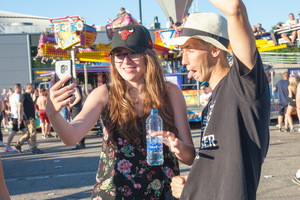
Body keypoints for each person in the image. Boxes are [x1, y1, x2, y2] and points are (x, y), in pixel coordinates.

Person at [46, 24, 195, 199]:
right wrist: (53, 114)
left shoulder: (170, 93)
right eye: (119, 55)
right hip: (114, 193)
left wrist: (177, 146)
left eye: (133, 53)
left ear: (149, 56)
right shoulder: (103, 94)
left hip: (161, 192)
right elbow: (71, 137)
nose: (126, 61)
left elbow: (190, 157)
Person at [169, 0, 270, 199]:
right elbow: (223, 172)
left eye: (190, 50)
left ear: (215, 50)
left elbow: (235, 9)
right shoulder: (210, 105)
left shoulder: (243, 85)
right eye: (182, 52)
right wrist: (193, 185)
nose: (183, 61)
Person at [14, 83, 43, 154]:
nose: (34, 90)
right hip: (28, 117)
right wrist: (20, 117)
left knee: (29, 133)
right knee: (33, 133)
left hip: (30, 116)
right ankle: (34, 148)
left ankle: (19, 143)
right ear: (29, 88)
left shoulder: (28, 96)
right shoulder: (23, 95)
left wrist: (35, 98)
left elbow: (32, 105)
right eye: (33, 88)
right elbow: (19, 105)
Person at [4, 84, 27, 152]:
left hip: (16, 115)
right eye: (20, 88)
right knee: (14, 131)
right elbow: (19, 105)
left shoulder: (12, 95)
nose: (21, 89)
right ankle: (7, 146)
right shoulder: (17, 96)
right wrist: (20, 116)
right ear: (17, 88)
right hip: (17, 116)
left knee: (24, 130)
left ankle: (31, 144)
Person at [69, 81, 85, 150]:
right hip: (79, 107)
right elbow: (83, 97)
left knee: (77, 125)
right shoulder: (79, 87)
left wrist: (72, 104)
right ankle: (81, 143)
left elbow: (78, 97)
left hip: (76, 108)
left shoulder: (75, 88)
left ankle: (80, 143)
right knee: (80, 125)